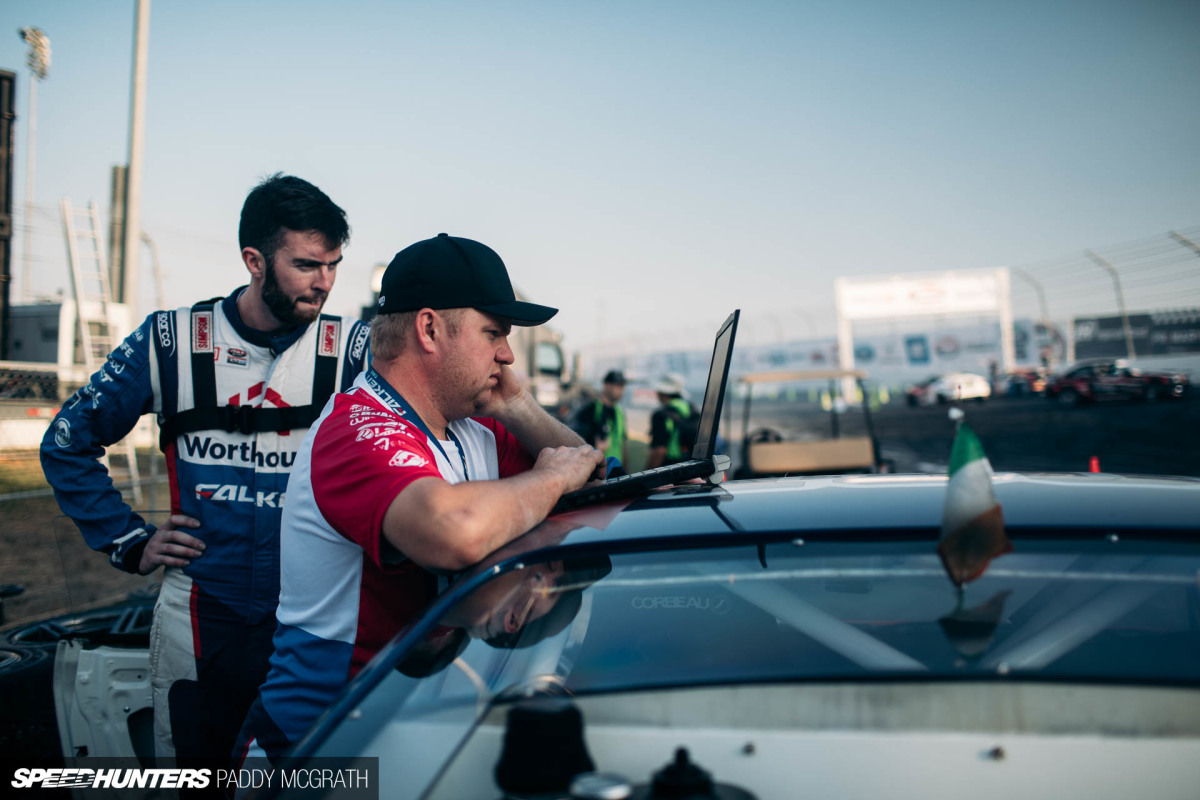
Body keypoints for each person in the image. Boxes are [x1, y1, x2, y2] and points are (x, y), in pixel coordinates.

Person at [40, 174, 370, 765]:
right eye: (306, 265)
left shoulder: (355, 350)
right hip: (198, 615)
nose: (324, 282)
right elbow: (66, 441)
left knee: (308, 783)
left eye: (333, 265)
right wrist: (127, 540)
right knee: (196, 779)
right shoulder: (170, 341)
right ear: (254, 261)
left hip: (310, 617)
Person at [235, 233, 604, 762]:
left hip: (404, 731)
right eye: (494, 333)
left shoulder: (474, 429)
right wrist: (550, 479)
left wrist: (517, 405)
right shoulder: (355, 427)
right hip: (316, 750)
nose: (506, 354)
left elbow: (592, 484)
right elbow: (452, 532)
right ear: (429, 329)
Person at [573, 369, 627, 464]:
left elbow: (622, 443)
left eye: (622, 387)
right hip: (598, 467)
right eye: (618, 386)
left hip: (617, 468)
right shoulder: (590, 410)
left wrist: (626, 468)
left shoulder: (619, 412)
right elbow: (579, 441)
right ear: (607, 385)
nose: (621, 391)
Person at [646, 373, 699, 468]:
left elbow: (659, 451)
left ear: (662, 393)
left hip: (671, 467)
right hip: (692, 465)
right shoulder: (692, 409)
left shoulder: (661, 415)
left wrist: (647, 473)